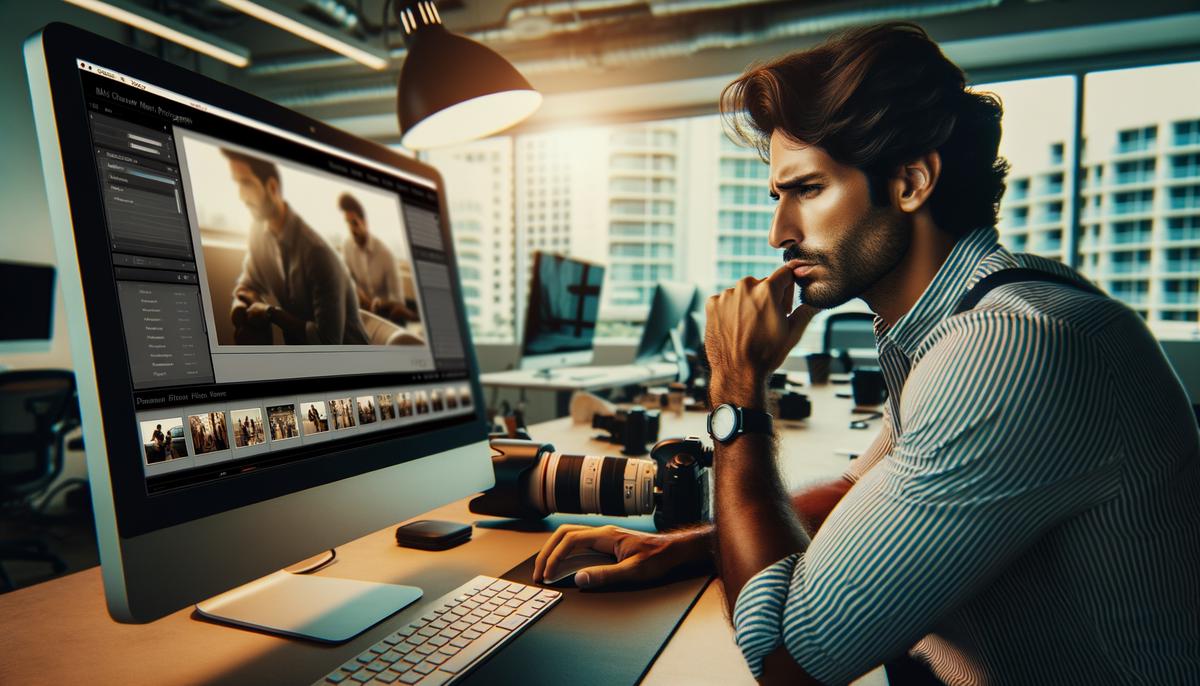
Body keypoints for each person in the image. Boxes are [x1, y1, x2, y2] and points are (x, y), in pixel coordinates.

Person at [534, 22, 1200, 686]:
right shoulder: (960, 318)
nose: (778, 234)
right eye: (778, 196)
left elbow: (788, 659)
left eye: (809, 190)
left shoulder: (1013, 348)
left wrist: (738, 391)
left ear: (910, 183)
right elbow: (857, 493)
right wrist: (697, 545)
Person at [222, 149, 368, 345]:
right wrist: (243, 307)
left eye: (246, 183)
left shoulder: (318, 254)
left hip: (353, 365)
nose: (240, 195)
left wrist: (270, 314)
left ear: (272, 187)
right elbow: (248, 284)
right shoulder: (258, 232)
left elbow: (328, 342)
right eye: (236, 183)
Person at [338, 192, 420, 324]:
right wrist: (357, 293)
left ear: (364, 222)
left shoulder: (386, 255)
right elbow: (346, 279)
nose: (351, 229)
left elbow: (397, 302)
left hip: (386, 313)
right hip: (362, 310)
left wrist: (376, 304)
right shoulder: (347, 247)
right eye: (348, 222)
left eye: (354, 223)